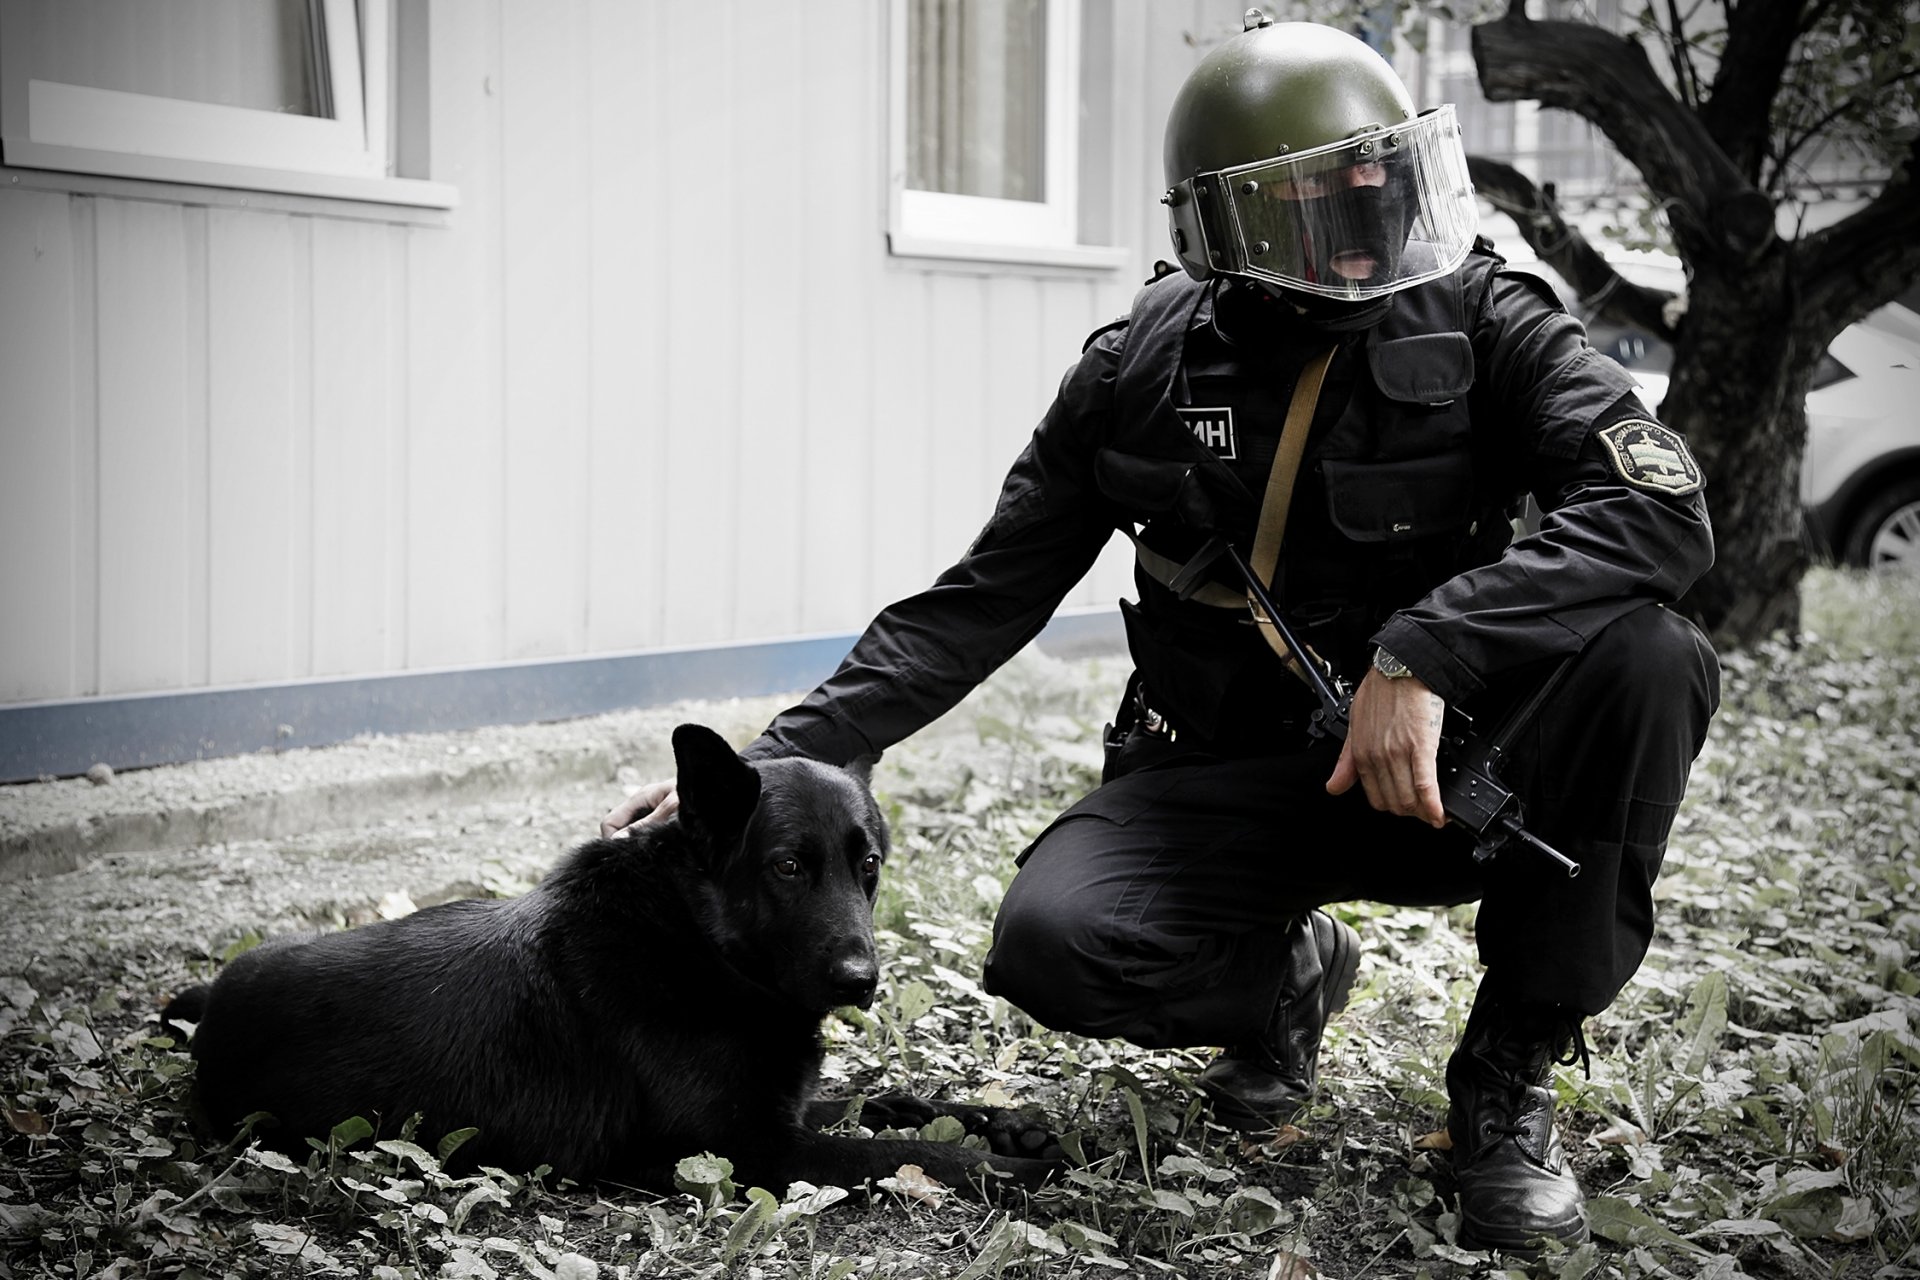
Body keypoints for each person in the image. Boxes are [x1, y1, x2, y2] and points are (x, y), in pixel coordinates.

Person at [603, 14, 1719, 1251]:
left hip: (1451, 772)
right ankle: (1285, 981)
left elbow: (1660, 511)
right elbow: (983, 595)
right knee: (1049, 943)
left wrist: (1426, 649)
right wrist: (777, 764)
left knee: (1652, 653)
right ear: (1227, 231)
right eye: (1319, 212)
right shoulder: (1136, 367)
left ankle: (1505, 1084)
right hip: (1225, 774)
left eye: (1382, 193)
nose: (1364, 239)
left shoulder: (1492, 320)